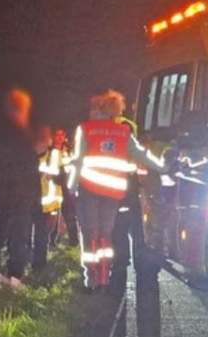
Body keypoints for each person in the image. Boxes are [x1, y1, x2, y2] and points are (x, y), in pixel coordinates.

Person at [71, 90, 166, 290]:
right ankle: (105, 275)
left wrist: (72, 186)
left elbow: (78, 160)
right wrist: (164, 167)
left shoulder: (85, 129)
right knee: (106, 233)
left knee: (90, 233)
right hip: (113, 192)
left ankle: (91, 278)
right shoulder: (123, 132)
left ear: (97, 109)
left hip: (89, 189)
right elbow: (142, 154)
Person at [0, 88, 40, 292]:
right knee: (18, 237)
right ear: (21, 108)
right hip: (20, 195)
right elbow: (30, 170)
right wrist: (35, 197)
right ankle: (14, 278)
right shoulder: (24, 134)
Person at [31, 126, 64, 270]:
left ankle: (39, 264)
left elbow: (62, 177)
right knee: (29, 235)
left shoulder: (55, 155)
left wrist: (53, 176)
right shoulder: (28, 155)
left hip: (49, 204)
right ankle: (27, 261)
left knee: (42, 235)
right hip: (31, 201)